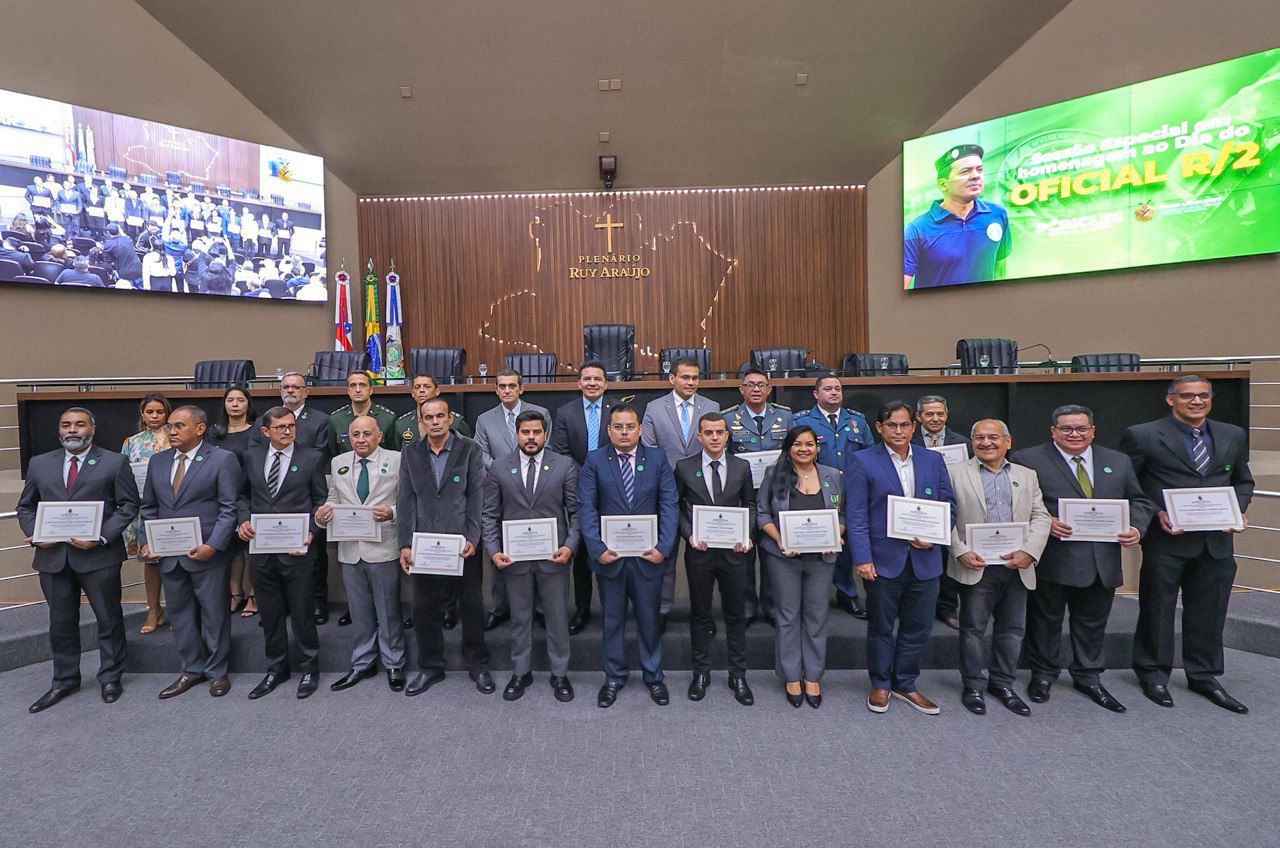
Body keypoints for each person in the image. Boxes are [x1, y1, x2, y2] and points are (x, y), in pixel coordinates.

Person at [1121, 376, 1255, 713]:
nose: (1196, 401)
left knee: (1210, 611)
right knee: (1158, 608)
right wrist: (1155, 515)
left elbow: (1242, 481)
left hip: (1216, 542)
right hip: (1167, 539)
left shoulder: (1232, 434)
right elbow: (1130, 486)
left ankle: (1204, 675)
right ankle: (1152, 673)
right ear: (1170, 400)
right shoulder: (1143, 435)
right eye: (1187, 396)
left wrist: (1237, 511)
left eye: (1203, 395)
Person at [1011, 404, 1153, 713]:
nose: (1074, 434)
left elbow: (1139, 500)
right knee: (1045, 620)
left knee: (1093, 622)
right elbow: (1017, 504)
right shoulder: (1028, 459)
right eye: (1066, 429)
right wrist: (1047, 520)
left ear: (1093, 431)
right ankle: (1043, 674)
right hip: (1054, 557)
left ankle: (1088, 676)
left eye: (1081, 429)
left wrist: (1136, 527)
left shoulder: (1118, 461)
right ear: (1053, 431)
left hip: (1102, 560)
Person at [16, 408, 139, 712]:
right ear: (59, 430)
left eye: (79, 424)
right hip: (53, 557)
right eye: (66, 425)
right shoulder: (40, 463)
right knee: (60, 623)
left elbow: (128, 505)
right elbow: (26, 507)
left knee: (108, 619)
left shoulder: (114, 461)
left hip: (99, 555)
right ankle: (64, 679)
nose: (72, 429)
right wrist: (35, 532)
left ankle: (110, 677)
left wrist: (100, 536)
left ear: (92, 429)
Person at [846, 401, 955, 715]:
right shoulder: (863, 461)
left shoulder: (933, 460)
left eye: (904, 425)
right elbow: (856, 516)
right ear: (879, 428)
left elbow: (950, 506)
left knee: (918, 628)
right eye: (891, 425)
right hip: (883, 561)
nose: (898, 431)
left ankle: (906, 683)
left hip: (926, 561)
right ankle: (881, 683)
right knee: (881, 627)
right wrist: (862, 559)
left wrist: (935, 534)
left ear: (914, 426)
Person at [578, 403, 679, 708]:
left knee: (649, 619)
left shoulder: (658, 459)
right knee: (612, 620)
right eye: (618, 427)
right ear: (609, 430)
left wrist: (663, 548)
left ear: (640, 429)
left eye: (630, 427)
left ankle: (653, 676)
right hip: (611, 558)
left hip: (648, 558)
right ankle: (613, 677)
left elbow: (670, 506)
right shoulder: (595, 460)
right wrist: (597, 549)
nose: (624, 432)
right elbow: (587, 508)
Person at [947, 419, 1051, 716]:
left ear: (1008, 441)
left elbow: (1041, 516)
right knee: (973, 630)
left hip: (1016, 565)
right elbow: (946, 516)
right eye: (979, 437)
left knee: (1012, 630)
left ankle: (1003, 683)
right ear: (972, 442)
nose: (986, 442)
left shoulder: (1026, 475)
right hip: (975, 564)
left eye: (994, 437)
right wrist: (961, 551)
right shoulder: (955, 473)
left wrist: (1030, 551)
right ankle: (974, 686)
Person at [139, 406, 243, 699]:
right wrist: (149, 540)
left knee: (214, 615)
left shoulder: (223, 459)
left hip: (208, 553)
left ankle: (217, 672)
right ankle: (191, 670)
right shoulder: (157, 461)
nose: (171, 431)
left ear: (200, 429)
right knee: (180, 616)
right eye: (170, 426)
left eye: (179, 426)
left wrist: (214, 544)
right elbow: (148, 507)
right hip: (170, 556)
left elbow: (229, 508)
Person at [397, 397, 493, 696]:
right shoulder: (411, 452)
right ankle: (431, 667)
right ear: (421, 421)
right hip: (424, 544)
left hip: (462, 543)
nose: (435, 421)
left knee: (473, 607)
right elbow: (406, 499)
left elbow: (478, 497)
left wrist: (473, 537)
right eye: (429, 417)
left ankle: (477, 664)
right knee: (424, 609)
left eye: (440, 416)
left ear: (450, 419)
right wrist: (405, 544)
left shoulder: (470, 449)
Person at [481, 410, 579, 702]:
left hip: (554, 558)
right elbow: (489, 515)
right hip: (515, 560)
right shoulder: (499, 467)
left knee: (557, 618)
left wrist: (571, 546)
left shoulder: (563, 465)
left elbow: (576, 513)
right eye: (526, 432)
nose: (531, 437)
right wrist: (494, 551)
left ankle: (560, 674)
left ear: (545, 434)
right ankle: (520, 672)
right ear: (517, 434)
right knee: (520, 618)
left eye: (537, 432)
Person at [236, 407, 328, 700]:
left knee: (302, 610)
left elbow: (320, 499)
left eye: (291, 426)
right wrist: (243, 520)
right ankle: (276, 668)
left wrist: (313, 530)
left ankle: (309, 667)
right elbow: (242, 496)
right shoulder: (250, 457)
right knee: (271, 612)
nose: (287, 431)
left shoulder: (311, 457)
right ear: (266, 432)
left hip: (297, 549)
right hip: (262, 550)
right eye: (280, 428)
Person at [318, 416, 407, 692]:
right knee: (360, 612)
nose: (360, 439)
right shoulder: (339, 462)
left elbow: (408, 499)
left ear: (379, 436)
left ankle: (394, 663)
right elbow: (334, 498)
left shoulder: (397, 459)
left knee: (388, 611)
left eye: (367, 434)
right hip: (350, 550)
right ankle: (363, 663)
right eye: (355, 434)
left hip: (384, 546)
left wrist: (392, 511)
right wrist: (323, 513)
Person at [756, 426, 843, 708]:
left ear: (818, 448)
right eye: (797, 444)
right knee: (787, 616)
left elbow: (844, 513)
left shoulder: (832, 475)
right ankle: (792, 675)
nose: (803, 449)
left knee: (817, 617)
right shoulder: (774, 473)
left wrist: (836, 534)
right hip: (784, 558)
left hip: (821, 559)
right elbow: (762, 513)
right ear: (788, 448)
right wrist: (780, 540)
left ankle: (813, 676)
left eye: (809, 444)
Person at [675, 412, 755, 705]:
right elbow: (677, 507)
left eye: (719, 432)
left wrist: (747, 534)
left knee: (736, 614)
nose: (714, 437)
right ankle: (701, 672)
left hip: (734, 554)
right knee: (700, 613)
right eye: (708, 433)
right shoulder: (684, 467)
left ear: (727, 434)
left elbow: (749, 504)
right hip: (700, 553)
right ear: (699, 436)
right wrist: (688, 535)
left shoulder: (741, 466)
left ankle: (738, 674)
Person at [641, 355, 720, 625]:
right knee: (666, 549)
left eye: (695, 377)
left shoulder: (711, 405)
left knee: (702, 551)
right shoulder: (654, 407)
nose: (690, 382)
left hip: (700, 488)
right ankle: (662, 609)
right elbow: (649, 451)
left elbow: (715, 444)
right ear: (672, 378)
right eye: (685, 377)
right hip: (664, 487)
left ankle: (702, 611)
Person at [473, 369, 551, 630]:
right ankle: (500, 607)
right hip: (500, 492)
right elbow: (480, 453)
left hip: (536, 491)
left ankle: (540, 608)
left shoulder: (540, 411)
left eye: (511, 386)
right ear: (496, 389)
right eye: (501, 386)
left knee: (539, 550)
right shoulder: (485, 420)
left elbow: (546, 447)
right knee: (500, 551)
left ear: (521, 388)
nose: (506, 390)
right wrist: (505, 472)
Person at [793, 373, 873, 619]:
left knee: (849, 544)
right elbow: (793, 452)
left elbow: (870, 456)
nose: (834, 392)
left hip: (852, 492)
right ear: (816, 394)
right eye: (828, 388)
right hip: (816, 492)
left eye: (838, 388)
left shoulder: (857, 422)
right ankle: (809, 596)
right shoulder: (803, 421)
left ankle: (847, 593)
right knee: (814, 543)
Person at [724, 366, 793, 625]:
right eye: (750, 385)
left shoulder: (785, 417)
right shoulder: (728, 418)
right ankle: (746, 607)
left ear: (769, 389)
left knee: (774, 551)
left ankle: (772, 605)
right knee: (743, 552)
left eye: (761, 385)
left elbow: (792, 452)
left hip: (776, 494)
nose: (756, 389)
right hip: (743, 495)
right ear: (741, 389)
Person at [551, 360, 613, 635]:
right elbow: (562, 452)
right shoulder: (565, 412)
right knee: (584, 549)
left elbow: (624, 444)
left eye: (597, 379)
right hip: (579, 490)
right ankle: (583, 609)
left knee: (612, 547)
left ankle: (613, 608)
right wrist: (588, 478)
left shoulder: (617, 411)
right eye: (586, 378)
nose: (592, 383)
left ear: (605, 384)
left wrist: (603, 475)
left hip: (613, 488)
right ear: (579, 383)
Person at [903, 143, 1012, 289]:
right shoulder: (917, 229)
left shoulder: (998, 214)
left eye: (979, 170)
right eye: (965, 171)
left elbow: (1000, 265)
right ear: (943, 184)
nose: (976, 176)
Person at [911, 394, 968, 629]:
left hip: (952, 505)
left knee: (949, 559)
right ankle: (915, 607)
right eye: (930, 414)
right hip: (917, 507)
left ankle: (947, 607)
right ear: (919, 416)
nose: (935, 418)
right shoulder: (907, 440)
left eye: (940, 414)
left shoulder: (963, 443)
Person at [122, 393, 173, 633]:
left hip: (172, 507)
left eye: (159, 412)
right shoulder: (131, 442)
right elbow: (122, 476)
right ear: (142, 414)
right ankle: (154, 610)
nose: (154, 416)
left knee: (176, 558)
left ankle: (178, 610)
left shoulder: (175, 437)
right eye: (149, 412)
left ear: (167, 413)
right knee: (150, 560)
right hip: (144, 508)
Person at [210, 387, 257, 616]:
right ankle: (235, 593)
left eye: (240, 400)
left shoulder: (256, 431)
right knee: (230, 548)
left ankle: (253, 595)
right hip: (219, 497)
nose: (235, 404)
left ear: (248, 404)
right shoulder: (214, 433)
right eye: (230, 400)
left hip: (249, 495)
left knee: (248, 545)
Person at [329, 370, 399, 457]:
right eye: (353, 385)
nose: (358, 390)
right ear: (348, 391)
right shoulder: (336, 419)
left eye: (362, 385)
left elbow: (393, 454)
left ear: (371, 390)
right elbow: (332, 454)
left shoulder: (387, 418)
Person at [396, 373, 472, 446]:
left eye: (427, 386)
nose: (421, 390)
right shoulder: (402, 423)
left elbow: (468, 449)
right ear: (412, 393)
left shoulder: (455, 421)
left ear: (437, 391)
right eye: (417, 387)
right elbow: (395, 453)